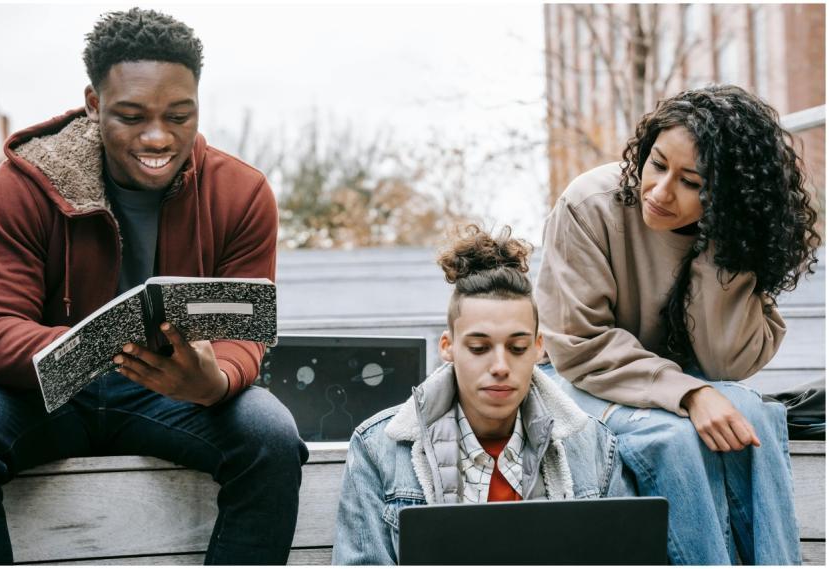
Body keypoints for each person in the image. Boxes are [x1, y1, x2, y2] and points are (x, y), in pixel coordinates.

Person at [0, 8, 308, 565]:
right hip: (47, 397)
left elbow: (246, 328)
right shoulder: (22, 187)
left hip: (175, 395)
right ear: (93, 104)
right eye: (131, 116)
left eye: (180, 115)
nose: (158, 136)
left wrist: (214, 380)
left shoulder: (243, 194)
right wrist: (91, 348)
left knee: (271, 435)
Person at [535, 84, 821, 565]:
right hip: (581, 379)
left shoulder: (733, 233)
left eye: (693, 182)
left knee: (755, 415)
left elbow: (726, 362)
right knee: (675, 440)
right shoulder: (590, 204)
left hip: (680, 382)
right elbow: (580, 345)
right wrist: (689, 393)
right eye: (658, 164)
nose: (661, 192)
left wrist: (718, 253)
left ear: (729, 196)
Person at [332, 225, 633, 565]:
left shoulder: (593, 446)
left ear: (538, 349)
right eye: (479, 348)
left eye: (517, 348)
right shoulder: (379, 448)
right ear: (448, 348)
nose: (500, 366)